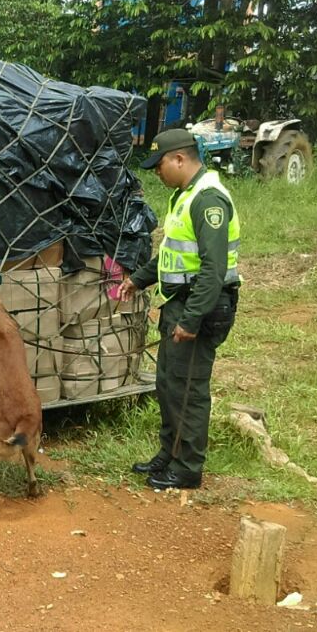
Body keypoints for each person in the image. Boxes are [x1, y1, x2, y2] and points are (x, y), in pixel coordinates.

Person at [117, 128, 240, 491]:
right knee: (168, 384)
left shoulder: (208, 200)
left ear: (180, 159)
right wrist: (139, 279)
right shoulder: (184, 196)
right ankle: (168, 453)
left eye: (160, 166)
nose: (157, 173)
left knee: (188, 388)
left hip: (200, 307)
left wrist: (191, 320)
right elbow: (173, 254)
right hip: (179, 302)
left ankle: (188, 468)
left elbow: (212, 269)